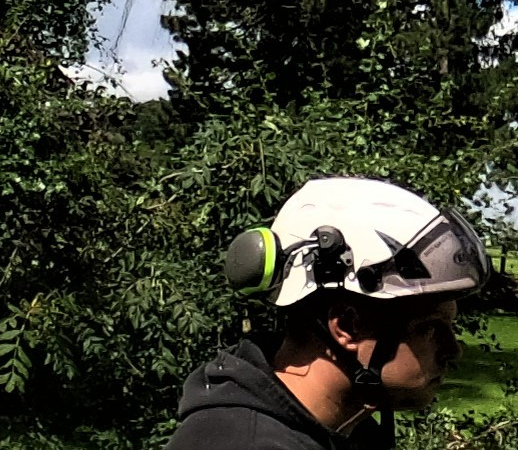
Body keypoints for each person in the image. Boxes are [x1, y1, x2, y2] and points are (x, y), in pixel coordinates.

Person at [169, 175, 491, 446]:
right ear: (347, 327)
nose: (454, 351)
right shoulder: (241, 443)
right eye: (429, 328)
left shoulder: (344, 431)